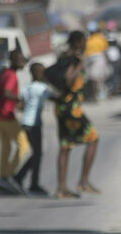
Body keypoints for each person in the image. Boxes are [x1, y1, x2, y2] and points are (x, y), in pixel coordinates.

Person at [52, 31, 100, 199]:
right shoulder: (74, 59)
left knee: (65, 146)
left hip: (61, 107)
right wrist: (80, 65)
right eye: (84, 41)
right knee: (93, 138)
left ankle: (61, 189)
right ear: (78, 42)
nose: (86, 44)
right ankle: (83, 182)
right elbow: (68, 79)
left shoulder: (63, 56)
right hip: (72, 109)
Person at [14, 63, 53, 196]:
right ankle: (28, 181)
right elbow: (54, 98)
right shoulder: (42, 88)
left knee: (37, 153)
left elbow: (20, 105)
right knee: (37, 153)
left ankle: (22, 179)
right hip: (34, 124)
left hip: (26, 122)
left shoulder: (27, 87)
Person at [0, 49, 30, 195]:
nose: (23, 63)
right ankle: (7, 176)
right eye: (20, 60)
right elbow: (7, 92)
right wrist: (19, 100)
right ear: (14, 61)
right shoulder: (11, 75)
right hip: (7, 115)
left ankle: (3, 176)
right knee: (23, 145)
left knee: (6, 148)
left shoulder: (6, 73)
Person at [84, 21, 109, 102]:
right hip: (89, 59)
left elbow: (104, 50)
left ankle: (96, 96)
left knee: (96, 78)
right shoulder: (88, 39)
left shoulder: (100, 38)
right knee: (92, 78)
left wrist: (107, 60)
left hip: (98, 59)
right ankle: (95, 95)